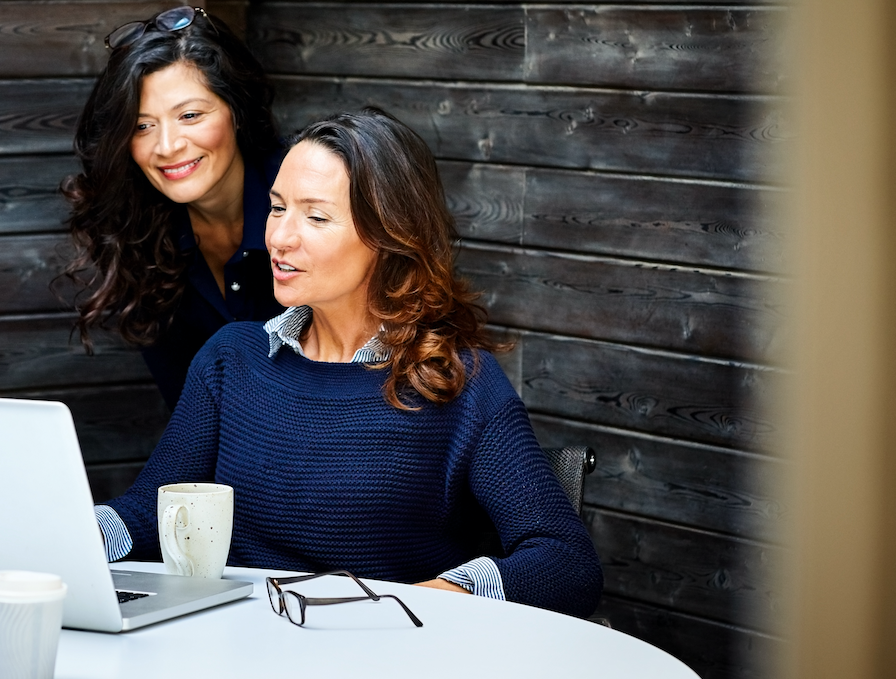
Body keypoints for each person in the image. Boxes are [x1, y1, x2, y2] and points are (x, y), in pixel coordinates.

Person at [95, 109, 603, 617]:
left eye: (315, 217)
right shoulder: (232, 359)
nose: (280, 238)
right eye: (276, 208)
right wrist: (57, 531)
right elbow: (145, 516)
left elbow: (565, 561)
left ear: (388, 236)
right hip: (242, 652)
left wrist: (431, 599)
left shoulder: (457, 380)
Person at [60, 5, 285, 409]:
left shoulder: (311, 203)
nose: (166, 146)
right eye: (143, 125)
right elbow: (192, 415)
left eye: (190, 115)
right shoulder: (140, 235)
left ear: (236, 110)